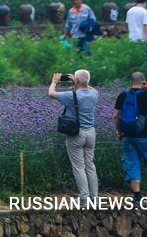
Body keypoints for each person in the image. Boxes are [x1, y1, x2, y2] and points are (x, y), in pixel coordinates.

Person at [114, 71, 147, 203]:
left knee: (131, 163)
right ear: (144, 82)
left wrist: (119, 132)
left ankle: (137, 196)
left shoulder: (122, 95)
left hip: (127, 136)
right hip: (144, 137)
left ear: (131, 81)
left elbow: (116, 116)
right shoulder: (146, 95)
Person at [48, 70, 99, 203]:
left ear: (76, 80)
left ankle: (84, 198)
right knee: (90, 165)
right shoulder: (94, 94)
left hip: (77, 134)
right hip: (91, 133)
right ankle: (94, 197)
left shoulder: (72, 95)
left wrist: (54, 82)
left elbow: (51, 93)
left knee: (79, 166)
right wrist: (78, 82)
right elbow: (89, 86)